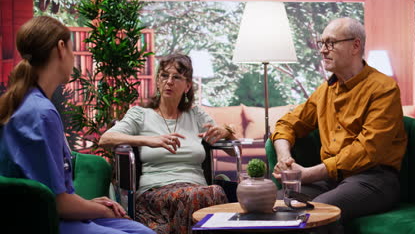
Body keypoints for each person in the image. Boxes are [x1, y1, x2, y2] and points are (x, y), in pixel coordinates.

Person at [0, 16, 154, 234]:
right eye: (73, 50)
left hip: (46, 214)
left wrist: (90, 204)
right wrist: (98, 209)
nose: (73, 58)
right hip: (46, 222)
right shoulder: (41, 113)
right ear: (61, 48)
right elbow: (58, 203)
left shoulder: (29, 103)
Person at [272, 17, 407, 233]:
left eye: (331, 43)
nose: (323, 50)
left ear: (356, 45)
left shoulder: (384, 89)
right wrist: (284, 157)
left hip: (374, 178)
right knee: (273, 207)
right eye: (322, 43)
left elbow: (367, 150)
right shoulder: (324, 90)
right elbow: (287, 123)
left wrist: (308, 174)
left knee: (316, 215)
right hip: (330, 180)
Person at [99, 53, 237, 234]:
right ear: (157, 81)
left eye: (177, 77)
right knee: (208, 194)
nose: (169, 81)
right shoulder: (140, 115)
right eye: (164, 75)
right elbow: (106, 139)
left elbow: (234, 151)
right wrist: (148, 140)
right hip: (155, 194)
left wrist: (226, 131)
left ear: (187, 86)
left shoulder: (196, 115)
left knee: (211, 193)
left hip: (197, 190)